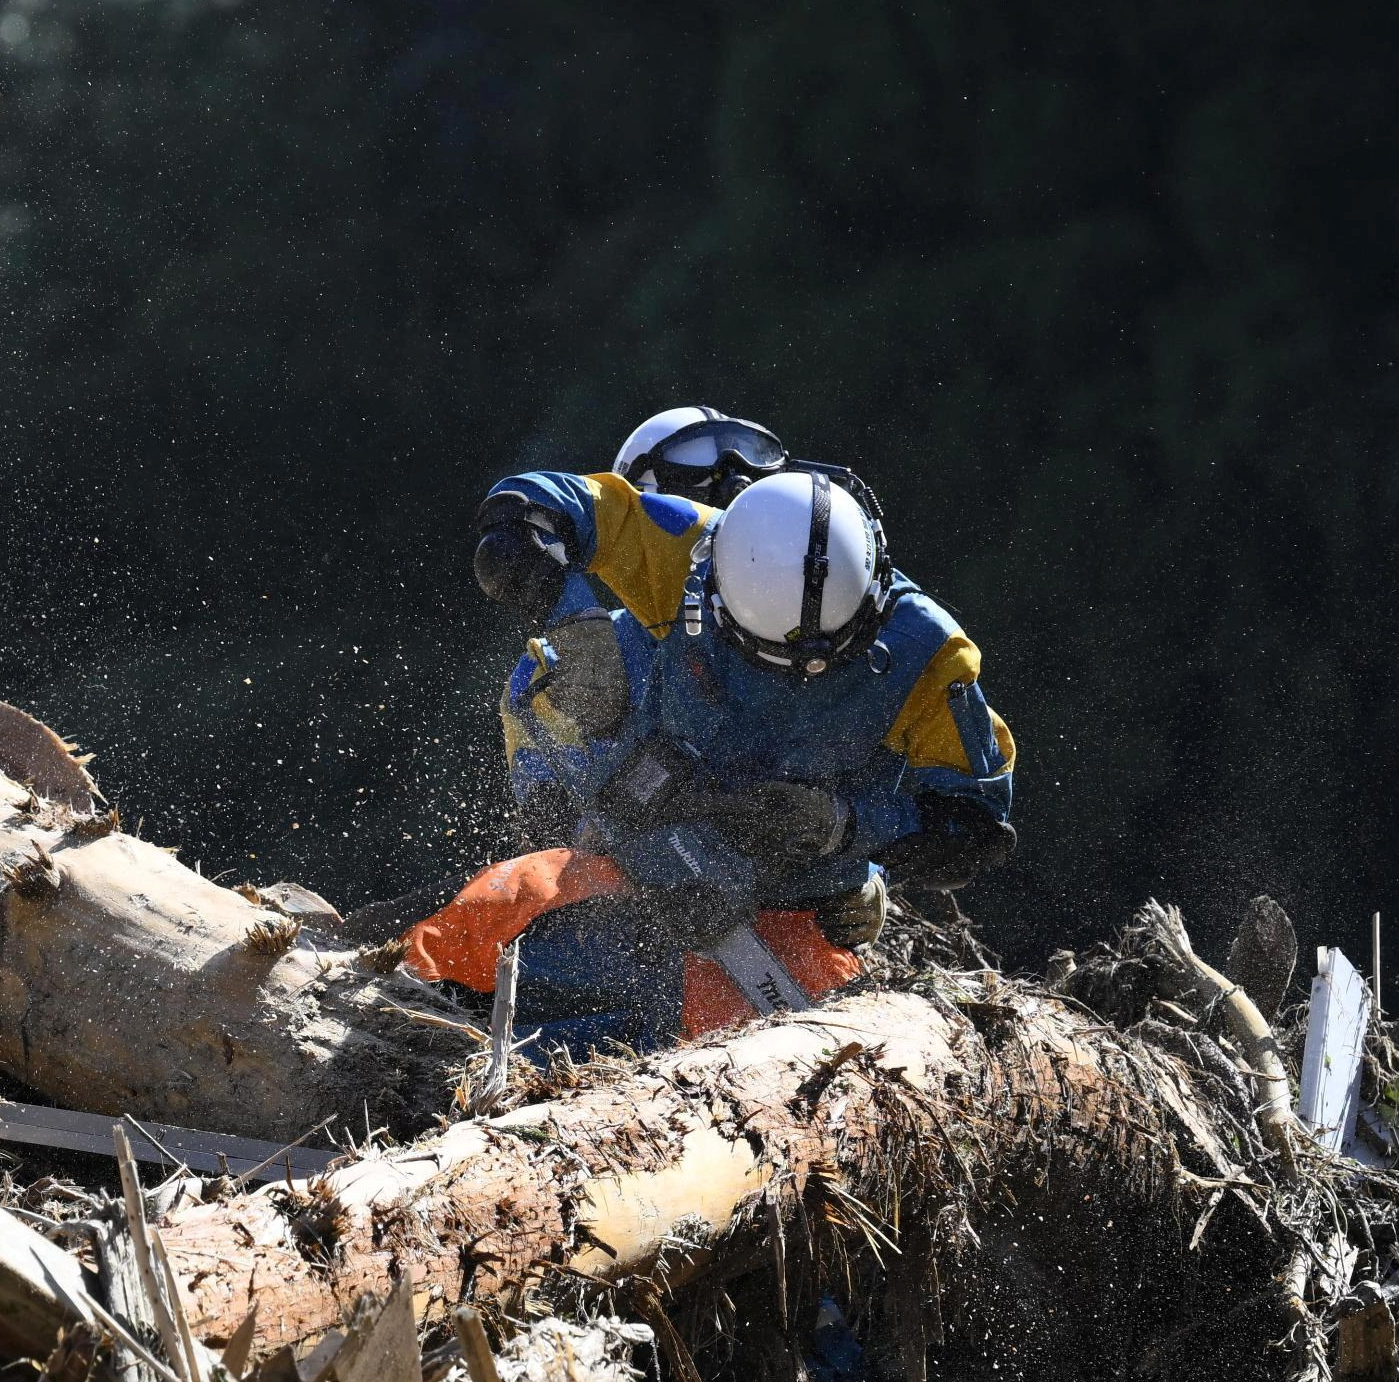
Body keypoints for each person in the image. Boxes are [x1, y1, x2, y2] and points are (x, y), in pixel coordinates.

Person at [414, 465, 1016, 1048]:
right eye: (766, 657)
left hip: (792, 895)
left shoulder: (934, 659)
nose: (798, 677)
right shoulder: (683, 543)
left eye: (824, 662)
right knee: (494, 932)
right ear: (716, 585)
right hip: (632, 838)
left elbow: (975, 826)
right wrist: (574, 619)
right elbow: (525, 511)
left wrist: (847, 824)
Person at [475, 406, 807, 815]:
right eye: (698, 507)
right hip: (636, 871)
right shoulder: (548, 670)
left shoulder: (855, 642)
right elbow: (558, 848)